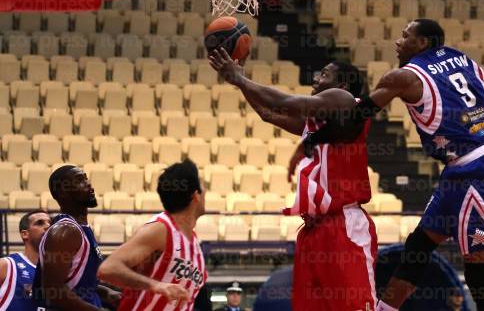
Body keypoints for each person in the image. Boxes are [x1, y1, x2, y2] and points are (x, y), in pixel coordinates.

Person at [300, 19, 484, 311]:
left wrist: (317, 136)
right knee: (418, 247)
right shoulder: (465, 60)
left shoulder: (404, 77)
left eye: (405, 36)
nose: (398, 42)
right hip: (462, 167)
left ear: (422, 43)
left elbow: (360, 113)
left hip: (477, 172)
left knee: (478, 269)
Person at [209, 49, 378, 311]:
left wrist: (242, 80)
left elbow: (288, 102)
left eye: (324, 75)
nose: (316, 80)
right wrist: (238, 81)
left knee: (354, 306)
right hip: (313, 230)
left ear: (342, 84)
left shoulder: (345, 100)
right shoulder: (316, 122)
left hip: (343, 225)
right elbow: (268, 113)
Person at [98, 159, 208, 310]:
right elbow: (108, 269)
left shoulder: (194, 242)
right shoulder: (161, 229)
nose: (206, 191)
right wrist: (155, 285)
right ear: (196, 196)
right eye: (203, 186)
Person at [32, 165, 120, 311]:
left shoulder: (81, 228)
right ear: (63, 193)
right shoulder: (65, 232)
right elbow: (54, 292)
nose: (89, 184)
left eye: (86, 179)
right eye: (80, 181)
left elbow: (77, 285)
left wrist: (107, 293)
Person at [0, 210, 51, 310]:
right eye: (40, 223)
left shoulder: (59, 274)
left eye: (50, 223)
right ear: (25, 234)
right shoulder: (7, 265)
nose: (48, 226)